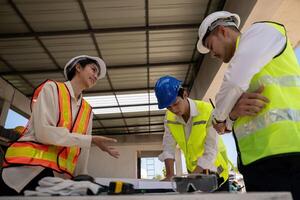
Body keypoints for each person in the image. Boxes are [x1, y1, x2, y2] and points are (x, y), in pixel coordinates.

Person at [197, 11, 300, 199]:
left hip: (289, 153)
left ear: (222, 31)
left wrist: (219, 119)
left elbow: (234, 82)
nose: (212, 54)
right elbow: (233, 111)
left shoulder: (263, 32)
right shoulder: (245, 63)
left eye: (211, 46)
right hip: (256, 163)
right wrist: (229, 118)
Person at [0, 55, 120, 195]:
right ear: (78, 67)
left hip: (55, 181)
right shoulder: (52, 89)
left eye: (97, 75)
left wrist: (81, 177)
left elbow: (83, 150)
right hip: (25, 172)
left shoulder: (87, 110)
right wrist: (90, 140)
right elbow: (44, 133)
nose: (95, 76)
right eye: (93, 69)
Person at [154, 75, 230, 191]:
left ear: (185, 94)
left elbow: (210, 151)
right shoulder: (169, 117)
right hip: (193, 172)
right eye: (168, 107)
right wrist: (170, 175)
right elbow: (168, 147)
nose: (173, 110)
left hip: (215, 171)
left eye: (175, 103)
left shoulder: (207, 110)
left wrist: (190, 178)